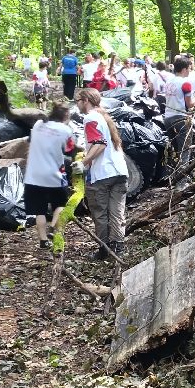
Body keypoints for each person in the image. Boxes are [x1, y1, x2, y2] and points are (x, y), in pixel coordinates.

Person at [75, 87, 129, 261]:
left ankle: (104, 249)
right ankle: (118, 247)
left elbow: (99, 144)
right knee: (117, 211)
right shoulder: (104, 118)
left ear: (86, 101)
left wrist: (83, 163)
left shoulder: (90, 118)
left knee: (99, 212)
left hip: (102, 173)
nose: (76, 104)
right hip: (120, 171)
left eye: (78, 100)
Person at [24, 102, 75, 250]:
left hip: (33, 176)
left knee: (39, 210)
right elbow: (69, 149)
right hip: (54, 175)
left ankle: (43, 240)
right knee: (60, 204)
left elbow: (30, 140)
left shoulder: (39, 124)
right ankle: (53, 226)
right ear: (66, 115)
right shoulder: (65, 130)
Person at [162, 54, 195, 161]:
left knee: (175, 149)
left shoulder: (168, 82)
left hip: (168, 118)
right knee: (185, 150)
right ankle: (183, 175)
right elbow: (190, 104)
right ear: (183, 69)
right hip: (181, 118)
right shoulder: (185, 84)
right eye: (188, 69)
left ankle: (173, 171)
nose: (189, 71)